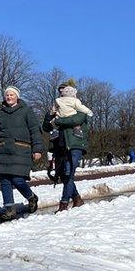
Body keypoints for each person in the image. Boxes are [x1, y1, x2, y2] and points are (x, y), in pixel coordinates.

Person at [0, 86, 44, 221]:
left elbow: (35, 130)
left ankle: (31, 197)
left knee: (17, 179)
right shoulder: (0, 114)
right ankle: (10, 209)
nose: (9, 97)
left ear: (17, 96)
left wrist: (37, 149)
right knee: (4, 179)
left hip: (20, 150)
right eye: (7, 95)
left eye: (12, 95)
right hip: (2, 151)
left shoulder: (26, 111)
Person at [43, 81, 90, 211]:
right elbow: (46, 127)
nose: (62, 93)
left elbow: (75, 120)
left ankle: (63, 204)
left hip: (74, 145)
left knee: (69, 174)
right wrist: (50, 115)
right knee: (63, 176)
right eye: (60, 91)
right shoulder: (56, 109)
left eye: (64, 90)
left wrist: (57, 120)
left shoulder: (79, 107)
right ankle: (77, 199)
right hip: (59, 147)